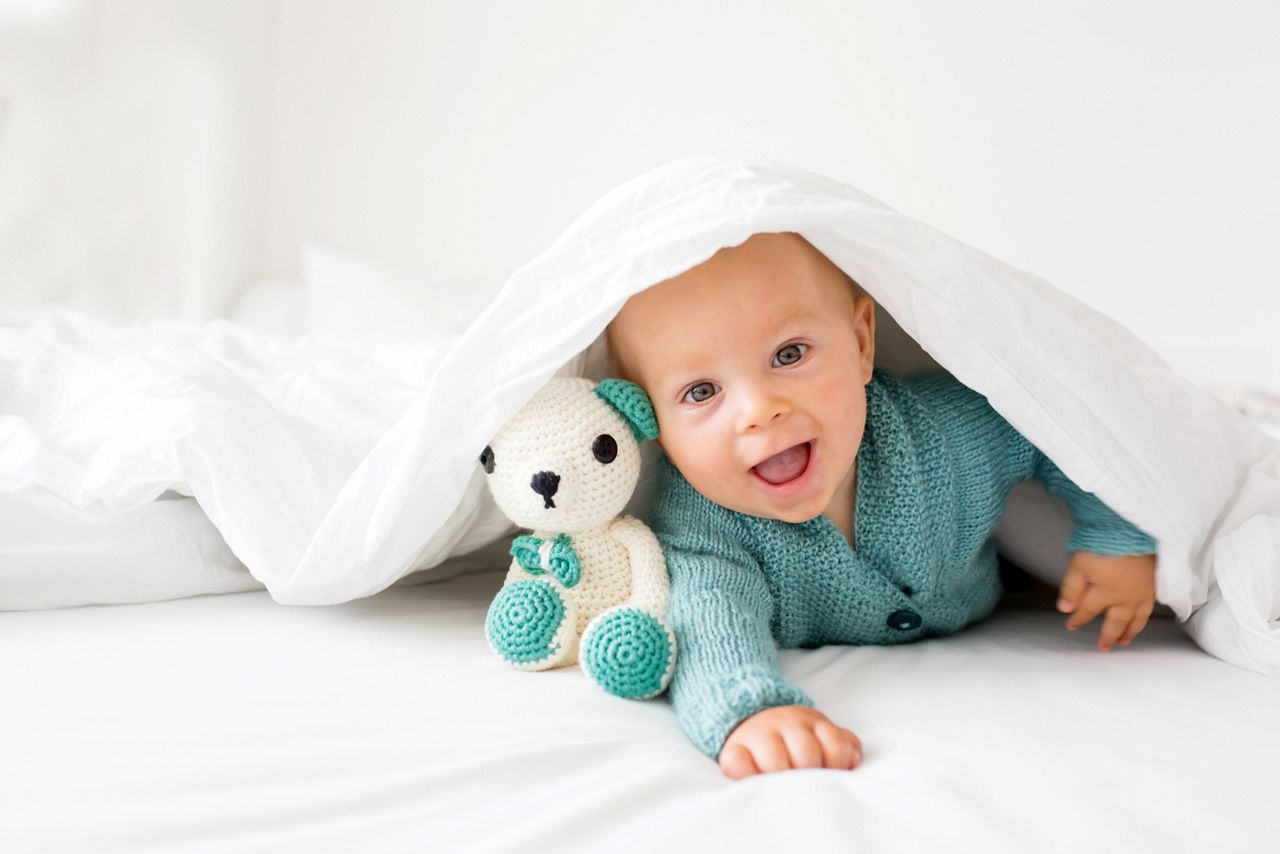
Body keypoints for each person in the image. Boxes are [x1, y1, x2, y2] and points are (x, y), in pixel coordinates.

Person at [605, 232, 1158, 779]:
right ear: (653, 422)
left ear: (862, 343)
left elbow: (1057, 423)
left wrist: (1113, 536)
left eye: (789, 354)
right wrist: (751, 708)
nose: (759, 409)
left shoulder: (947, 433)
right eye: (701, 392)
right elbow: (710, 615)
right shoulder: (701, 519)